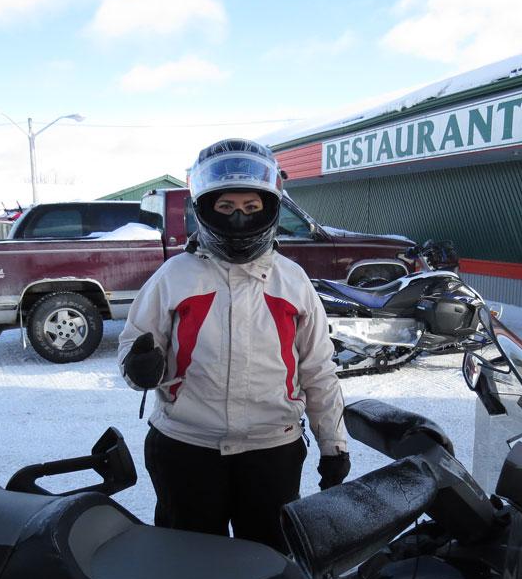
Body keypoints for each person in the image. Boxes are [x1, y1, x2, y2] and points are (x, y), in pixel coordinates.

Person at [117, 138, 350, 553]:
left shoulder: (292, 280)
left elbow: (318, 369)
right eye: (225, 208)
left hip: (271, 451)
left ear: (269, 207)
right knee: (185, 561)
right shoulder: (175, 276)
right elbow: (135, 343)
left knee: (268, 564)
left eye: (250, 208)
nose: (239, 219)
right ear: (205, 208)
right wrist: (139, 367)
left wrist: (333, 444)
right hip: (186, 449)